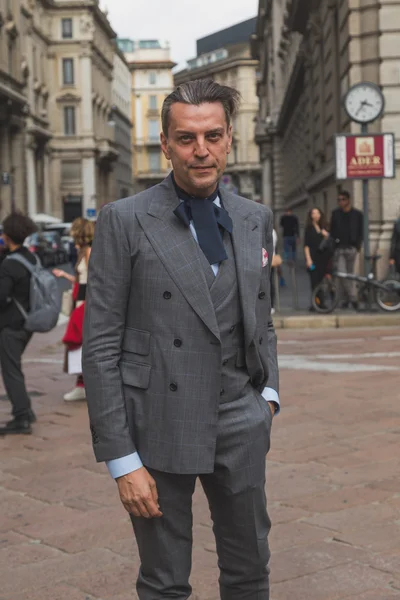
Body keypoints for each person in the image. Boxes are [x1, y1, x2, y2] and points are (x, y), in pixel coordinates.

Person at [83, 79, 279, 600]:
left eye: (212, 135)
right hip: (158, 426)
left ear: (229, 138)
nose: (201, 150)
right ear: (166, 144)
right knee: (164, 582)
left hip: (240, 418)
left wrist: (268, 396)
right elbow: (100, 345)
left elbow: (263, 316)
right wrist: (122, 460)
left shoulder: (254, 218)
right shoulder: (123, 220)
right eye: (187, 138)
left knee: (250, 571)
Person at [0, 212, 38, 435]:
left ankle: (21, 417)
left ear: (8, 235)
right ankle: (26, 409)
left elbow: (2, 296)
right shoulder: (30, 258)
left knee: (11, 370)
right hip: (27, 322)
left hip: (11, 326)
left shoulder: (9, 264)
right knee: (15, 367)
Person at [53, 218, 94, 402]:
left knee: (79, 343)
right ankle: (81, 385)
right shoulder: (84, 252)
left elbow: (92, 281)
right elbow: (82, 280)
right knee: (79, 344)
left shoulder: (89, 252)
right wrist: (65, 276)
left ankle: (83, 386)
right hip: (82, 303)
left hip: (84, 305)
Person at [330, 190, 363, 309]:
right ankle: (353, 299)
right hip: (339, 249)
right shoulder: (335, 213)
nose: (340, 202)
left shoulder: (357, 214)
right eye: (338, 200)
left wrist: (358, 246)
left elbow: (361, 231)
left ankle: (345, 300)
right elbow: (332, 231)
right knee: (343, 275)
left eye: (343, 199)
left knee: (350, 275)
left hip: (352, 248)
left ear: (348, 200)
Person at [304, 208, 331, 311]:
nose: (315, 215)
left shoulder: (324, 227)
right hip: (313, 258)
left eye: (317, 213)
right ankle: (315, 303)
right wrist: (308, 259)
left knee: (321, 282)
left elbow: (329, 241)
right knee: (314, 282)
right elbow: (306, 245)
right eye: (313, 213)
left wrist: (326, 235)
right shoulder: (309, 229)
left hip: (323, 259)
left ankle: (321, 302)